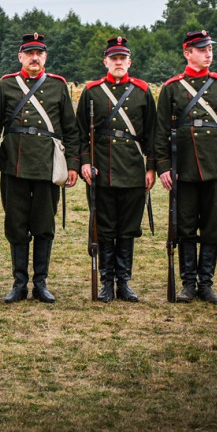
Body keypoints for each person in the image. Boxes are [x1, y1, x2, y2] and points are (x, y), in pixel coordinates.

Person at [0, 32, 80, 304]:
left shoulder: (58, 85)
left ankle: (40, 282)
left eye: (39, 53)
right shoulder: (7, 84)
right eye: (29, 53)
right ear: (20, 57)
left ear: (45, 57)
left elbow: (70, 129)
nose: (34, 58)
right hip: (14, 164)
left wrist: (72, 164)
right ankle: (19, 283)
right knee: (16, 225)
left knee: (43, 225)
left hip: (47, 165)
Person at [153, 30, 217, 304]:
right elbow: (160, 132)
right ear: (187, 53)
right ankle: (188, 284)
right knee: (186, 227)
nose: (208, 53)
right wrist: (164, 166)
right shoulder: (172, 87)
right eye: (202, 49)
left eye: (209, 49)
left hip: (216, 166)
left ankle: (206, 284)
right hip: (185, 168)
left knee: (213, 227)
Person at [77, 36, 156, 302]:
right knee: (105, 228)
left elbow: (152, 135)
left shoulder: (142, 91)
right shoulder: (92, 91)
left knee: (128, 228)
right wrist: (85, 162)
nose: (118, 62)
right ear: (106, 62)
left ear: (129, 62)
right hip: (102, 169)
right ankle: (106, 282)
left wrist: (151, 167)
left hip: (133, 169)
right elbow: (80, 134)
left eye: (123, 58)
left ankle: (124, 282)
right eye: (114, 58)